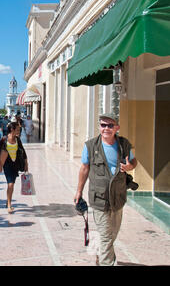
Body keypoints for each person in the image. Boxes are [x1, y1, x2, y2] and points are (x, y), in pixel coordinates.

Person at [73, 113, 137, 266]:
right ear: (99, 126)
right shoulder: (90, 146)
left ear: (117, 128)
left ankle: (100, 253)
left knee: (112, 234)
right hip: (99, 198)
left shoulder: (124, 145)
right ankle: (106, 262)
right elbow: (84, 168)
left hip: (118, 197)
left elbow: (134, 161)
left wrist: (130, 166)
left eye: (110, 125)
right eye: (103, 125)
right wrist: (79, 191)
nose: (106, 128)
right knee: (106, 236)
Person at [0, 122, 28, 214]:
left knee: (12, 184)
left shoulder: (18, 139)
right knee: (11, 184)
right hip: (7, 165)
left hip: (16, 165)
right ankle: (9, 205)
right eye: (17, 129)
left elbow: (23, 152)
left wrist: (26, 164)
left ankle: (8, 200)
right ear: (12, 129)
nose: (19, 131)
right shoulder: (4, 140)